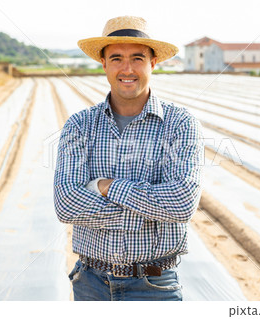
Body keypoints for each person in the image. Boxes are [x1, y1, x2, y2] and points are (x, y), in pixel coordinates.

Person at [54, 15, 203, 301]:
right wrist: (149, 212)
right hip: (90, 283)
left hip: (155, 286)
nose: (127, 69)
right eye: (117, 58)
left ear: (153, 63)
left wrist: (107, 187)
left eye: (137, 58)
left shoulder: (180, 123)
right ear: (104, 64)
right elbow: (67, 206)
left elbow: (182, 203)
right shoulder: (79, 125)